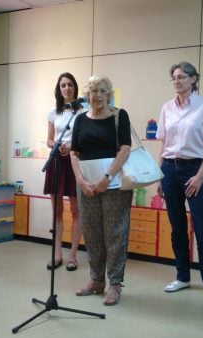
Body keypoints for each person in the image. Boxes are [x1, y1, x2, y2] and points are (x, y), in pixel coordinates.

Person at [156, 62, 203, 301]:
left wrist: (200, 175)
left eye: (182, 77)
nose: (177, 81)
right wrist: (159, 174)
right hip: (169, 169)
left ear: (194, 79)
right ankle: (182, 277)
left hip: (195, 168)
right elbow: (163, 144)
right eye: (173, 77)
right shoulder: (167, 108)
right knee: (177, 228)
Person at [70, 75, 133, 306]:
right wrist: (80, 180)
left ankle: (114, 284)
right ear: (87, 95)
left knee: (115, 234)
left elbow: (125, 148)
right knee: (93, 234)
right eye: (93, 91)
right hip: (86, 186)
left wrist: (108, 176)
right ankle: (96, 281)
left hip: (113, 184)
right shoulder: (79, 120)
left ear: (109, 94)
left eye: (103, 91)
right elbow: (75, 153)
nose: (97, 95)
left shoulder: (119, 116)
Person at [43, 72, 85, 271]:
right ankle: (57, 254)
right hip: (57, 160)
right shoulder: (54, 113)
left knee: (76, 210)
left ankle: (73, 256)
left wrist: (72, 147)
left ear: (75, 87)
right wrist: (57, 145)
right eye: (63, 86)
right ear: (59, 90)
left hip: (75, 161)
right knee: (57, 211)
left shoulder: (84, 111)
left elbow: (87, 139)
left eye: (69, 85)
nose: (66, 88)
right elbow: (49, 139)